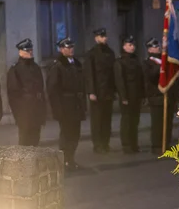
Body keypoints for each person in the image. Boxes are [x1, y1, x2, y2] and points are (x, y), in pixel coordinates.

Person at [48, 37, 86, 171]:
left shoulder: (77, 64)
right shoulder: (58, 66)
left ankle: (71, 159)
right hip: (65, 105)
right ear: (61, 49)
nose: (70, 50)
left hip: (76, 105)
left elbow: (82, 85)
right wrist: (57, 110)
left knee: (75, 134)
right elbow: (53, 90)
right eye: (67, 48)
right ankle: (64, 161)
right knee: (66, 134)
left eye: (72, 47)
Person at [144, 38, 179, 153]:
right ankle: (156, 145)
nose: (158, 48)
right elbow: (151, 77)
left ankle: (166, 143)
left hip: (169, 96)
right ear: (150, 49)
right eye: (155, 47)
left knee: (168, 122)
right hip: (156, 96)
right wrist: (162, 67)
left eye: (159, 46)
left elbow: (175, 79)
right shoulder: (148, 63)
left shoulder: (166, 62)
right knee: (157, 123)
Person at [6, 38, 46, 147]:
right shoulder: (15, 69)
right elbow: (13, 94)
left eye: (31, 50)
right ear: (21, 52)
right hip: (24, 110)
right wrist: (18, 114)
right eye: (27, 51)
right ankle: (24, 163)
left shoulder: (36, 67)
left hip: (36, 109)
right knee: (25, 140)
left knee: (35, 138)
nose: (30, 52)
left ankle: (33, 162)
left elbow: (41, 90)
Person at [83, 28, 116, 154]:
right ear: (96, 38)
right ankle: (97, 144)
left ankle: (105, 143)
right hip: (97, 92)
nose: (104, 38)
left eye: (105, 36)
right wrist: (91, 91)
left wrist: (115, 90)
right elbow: (89, 74)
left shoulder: (110, 53)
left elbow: (113, 73)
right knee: (97, 120)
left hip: (108, 91)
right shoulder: (91, 54)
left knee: (107, 120)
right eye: (101, 36)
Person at [113, 35, 145, 154]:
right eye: (129, 45)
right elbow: (119, 81)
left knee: (135, 121)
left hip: (136, 95)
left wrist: (142, 95)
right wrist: (123, 97)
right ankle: (126, 145)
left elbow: (140, 79)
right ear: (124, 46)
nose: (132, 47)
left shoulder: (136, 60)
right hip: (127, 96)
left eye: (133, 45)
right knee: (126, 121)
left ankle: (134, 144)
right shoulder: (120, 62)